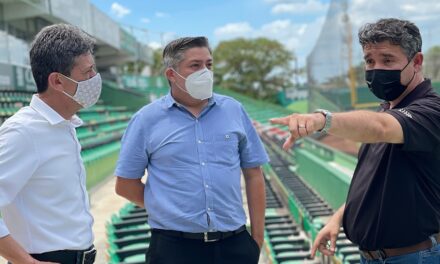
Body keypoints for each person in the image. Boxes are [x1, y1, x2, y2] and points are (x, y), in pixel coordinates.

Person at [271, 18, 440, 263]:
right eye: (370, 61)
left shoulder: (431, 110)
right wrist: (338, 218)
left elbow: (380, 128)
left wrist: (321, 120)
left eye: (388, 60)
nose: (376, 69)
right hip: (375, 257)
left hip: (414, 256)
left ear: (416, 62)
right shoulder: (386, 112)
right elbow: (374, 183)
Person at [114, 36, 268, 264]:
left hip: (234, 245)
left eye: (209, 64)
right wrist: (170, 207)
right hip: (173, 249)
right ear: (171, 75)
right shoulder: (146, 120)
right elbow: (125, 185)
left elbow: (254, 174)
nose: (205, 72)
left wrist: (256, 238)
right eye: (195, 65)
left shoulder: (234, 110)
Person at [0, 24, 100, 263]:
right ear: (57, 81)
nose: (94, 78)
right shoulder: (23, 132)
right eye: (87, 72)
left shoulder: (64, 124)